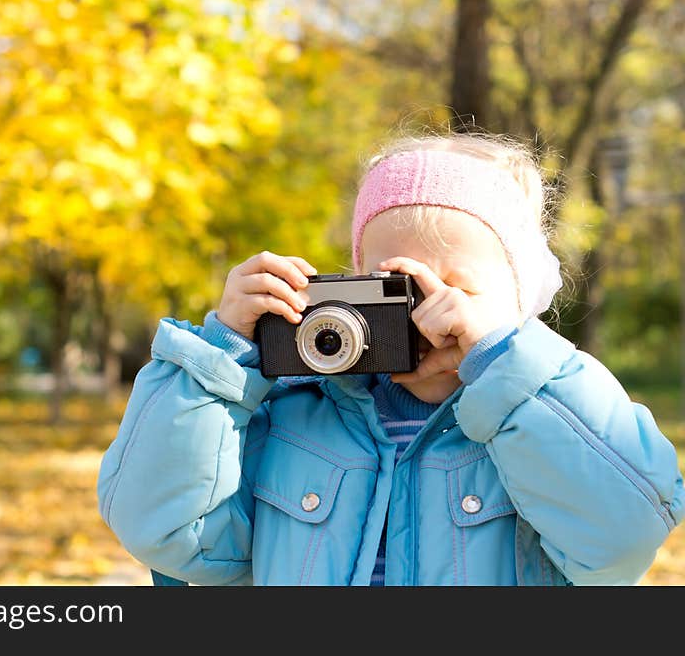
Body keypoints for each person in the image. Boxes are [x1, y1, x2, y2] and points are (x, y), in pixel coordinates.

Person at [97, 132, 685, 585]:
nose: (425, 314)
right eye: (393, 288)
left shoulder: (553, 414)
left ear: (520, 304)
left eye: (455, 289)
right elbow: (169, 535)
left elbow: (621, 538)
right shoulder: (295, 414)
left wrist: (506, 367)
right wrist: (219, 362)